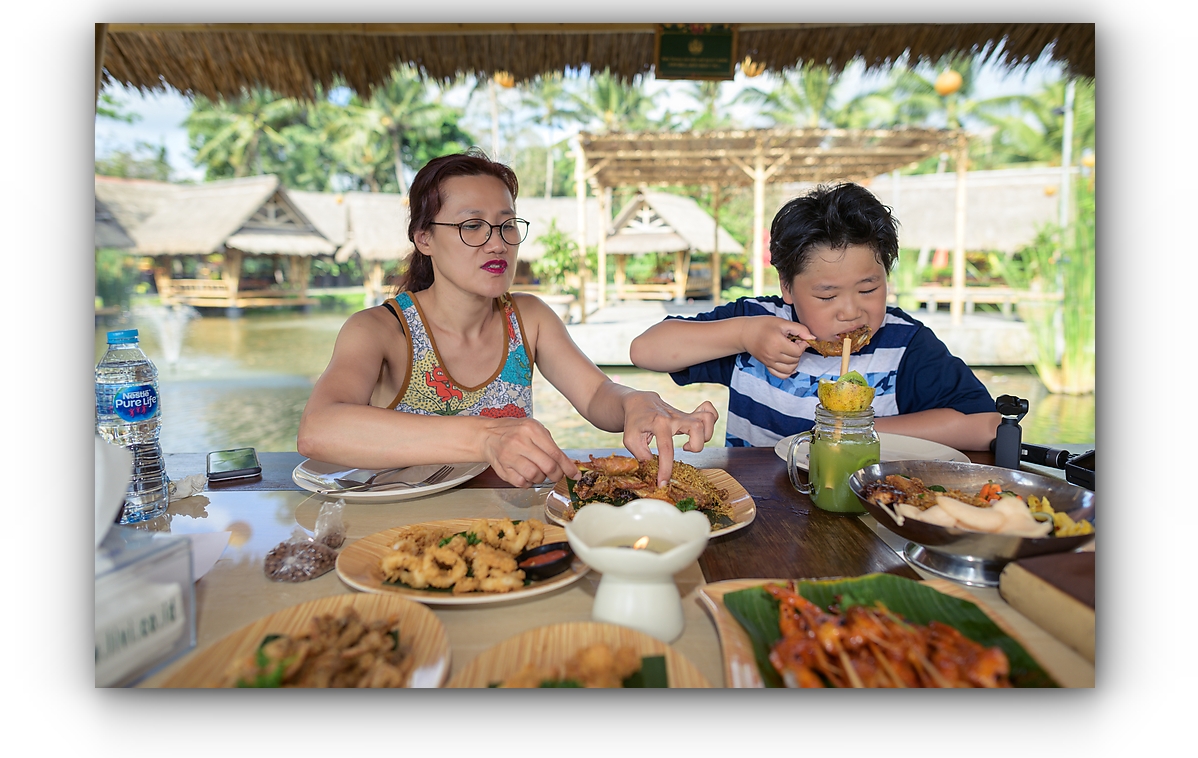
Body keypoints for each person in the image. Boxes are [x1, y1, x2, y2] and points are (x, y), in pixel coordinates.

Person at [298, 149, 717, 488]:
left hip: (510, 522)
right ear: (424, 238)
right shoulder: (381, 329)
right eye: (472, 226)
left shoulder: (528, 317)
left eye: (507, 225)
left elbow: (595, 395)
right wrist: (486, 438)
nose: (497, 243)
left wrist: (633, 403)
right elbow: (319, 429)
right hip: (405, 530)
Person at [629, 182, 1000, 451]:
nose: (851, 311)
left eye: (869, 289)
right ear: (787, 286)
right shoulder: (759, 325)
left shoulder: (905, 345)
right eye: (827, 295)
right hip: (757, 508)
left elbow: (987, 426)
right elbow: (645, 351)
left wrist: (856, 430)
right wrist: (743, 335)